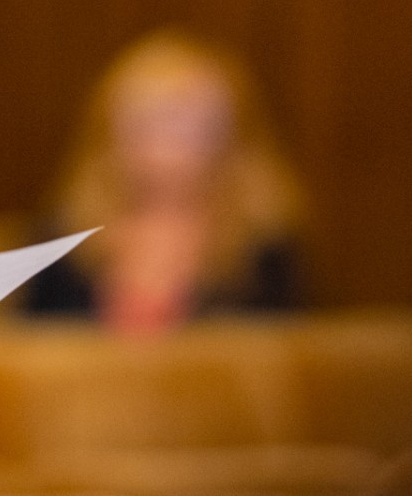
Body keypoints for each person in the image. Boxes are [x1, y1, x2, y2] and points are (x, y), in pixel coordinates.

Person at [24, 29, 304, 335]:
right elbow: (27, 345)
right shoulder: (63, 242)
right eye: (152, 121)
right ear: (111, 132)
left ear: (230, 136)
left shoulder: (263, 248)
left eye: (191, 123)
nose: (171, 144)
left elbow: (298, 346)